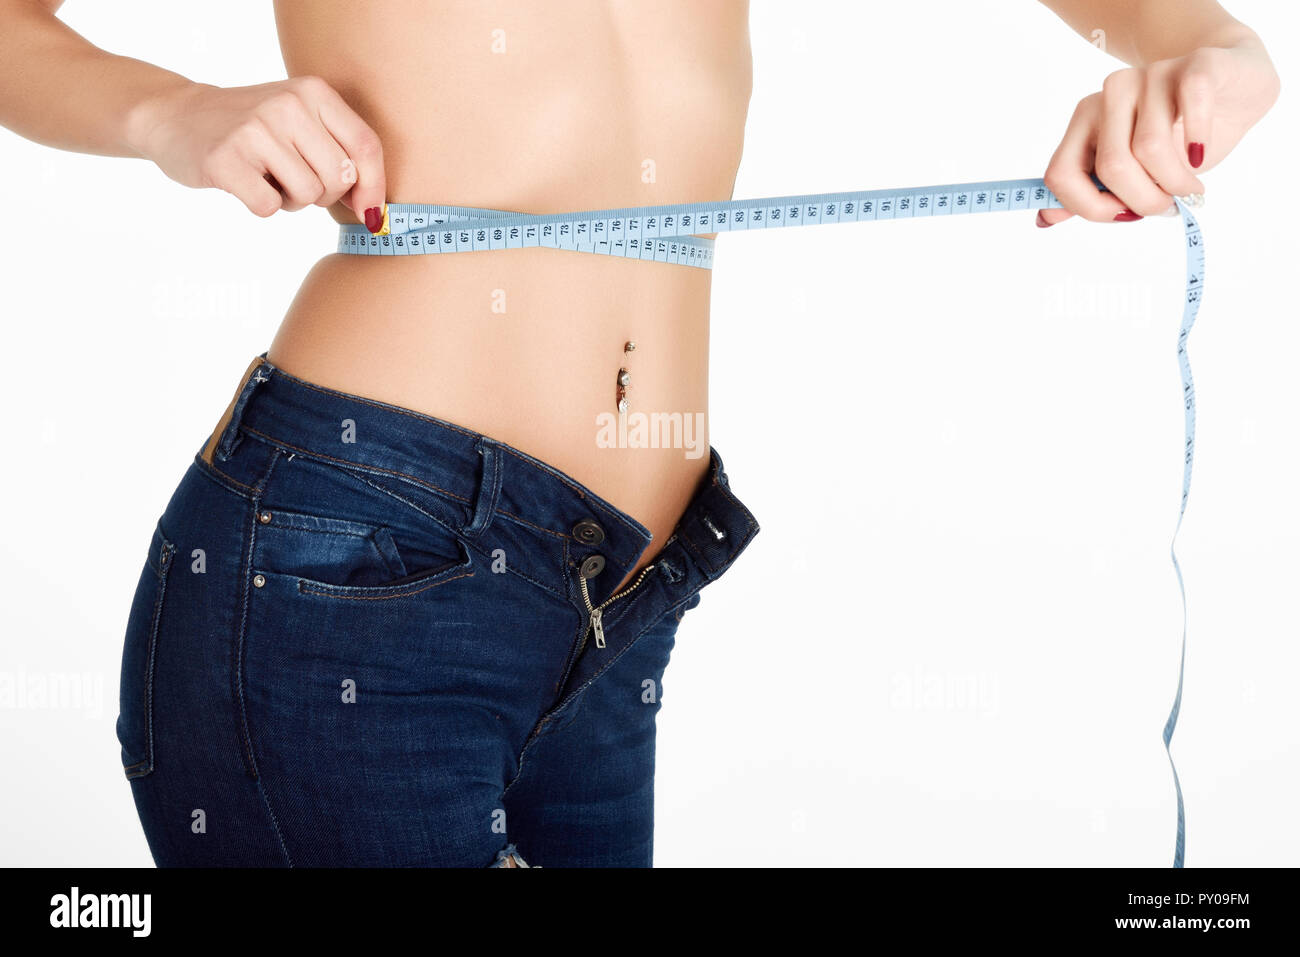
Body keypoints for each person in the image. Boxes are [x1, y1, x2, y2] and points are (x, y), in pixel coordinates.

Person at [0, 1, 1279, 867]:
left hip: (620, 596)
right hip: (357, 559)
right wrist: (172, 114)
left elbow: (1163, 25)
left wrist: (1213, 52)